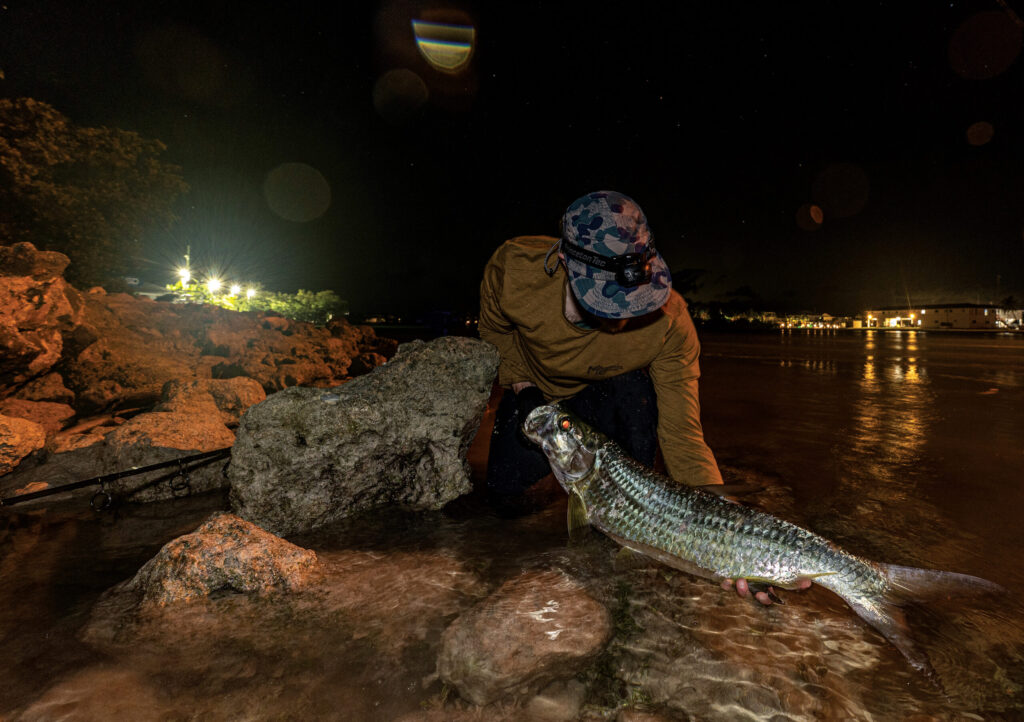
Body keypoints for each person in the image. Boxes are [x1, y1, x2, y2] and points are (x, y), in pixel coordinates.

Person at [478, 190, 806, 605]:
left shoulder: (672, 323)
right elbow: (495, 331)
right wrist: (523, 388)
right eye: (608, 296)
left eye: (638, 294)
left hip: (615, 395)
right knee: (504, 496)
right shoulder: (513, 270)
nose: (628, 315)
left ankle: (625, 530)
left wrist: (724, 527)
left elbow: (682, 432)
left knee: (636, 402)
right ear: (565, 261)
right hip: (541, 396)